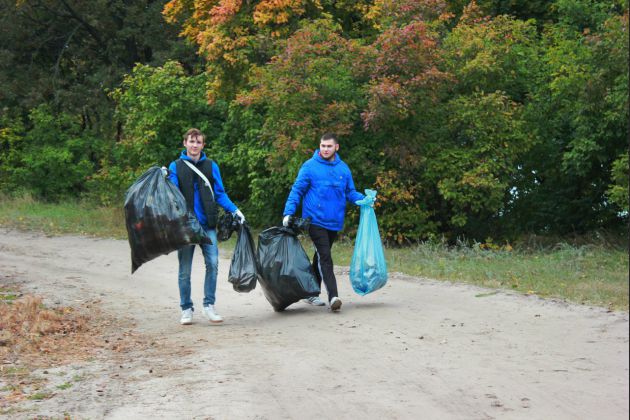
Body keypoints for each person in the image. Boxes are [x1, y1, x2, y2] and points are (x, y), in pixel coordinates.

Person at [282, 133, 373, 312]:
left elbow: (350, 192)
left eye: (329, 146)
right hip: (314, 220)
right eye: (323, 146)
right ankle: (333, 297)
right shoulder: (309, 167)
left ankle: (310, 292)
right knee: (325, 257)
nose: (325, 149)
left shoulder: (343, 169)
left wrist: (364, 199)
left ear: (336, 147)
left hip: (334, 221)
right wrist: (288, 213)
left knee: (320, 256)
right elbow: (297, 190)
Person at [167, 128, 245, 325]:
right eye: (191, 141)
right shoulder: (175, 166)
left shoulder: (211, 166)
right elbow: (172, 193)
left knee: (213, 263)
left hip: (207, 225)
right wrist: (164, 178)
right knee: (185, 270)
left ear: (203, 145)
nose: (195, 145)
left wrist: (235, 210)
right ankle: (186, 309)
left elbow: (219, 193)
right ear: (185, 143)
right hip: (185, 226)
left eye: (198, 142)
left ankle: (209, 305)